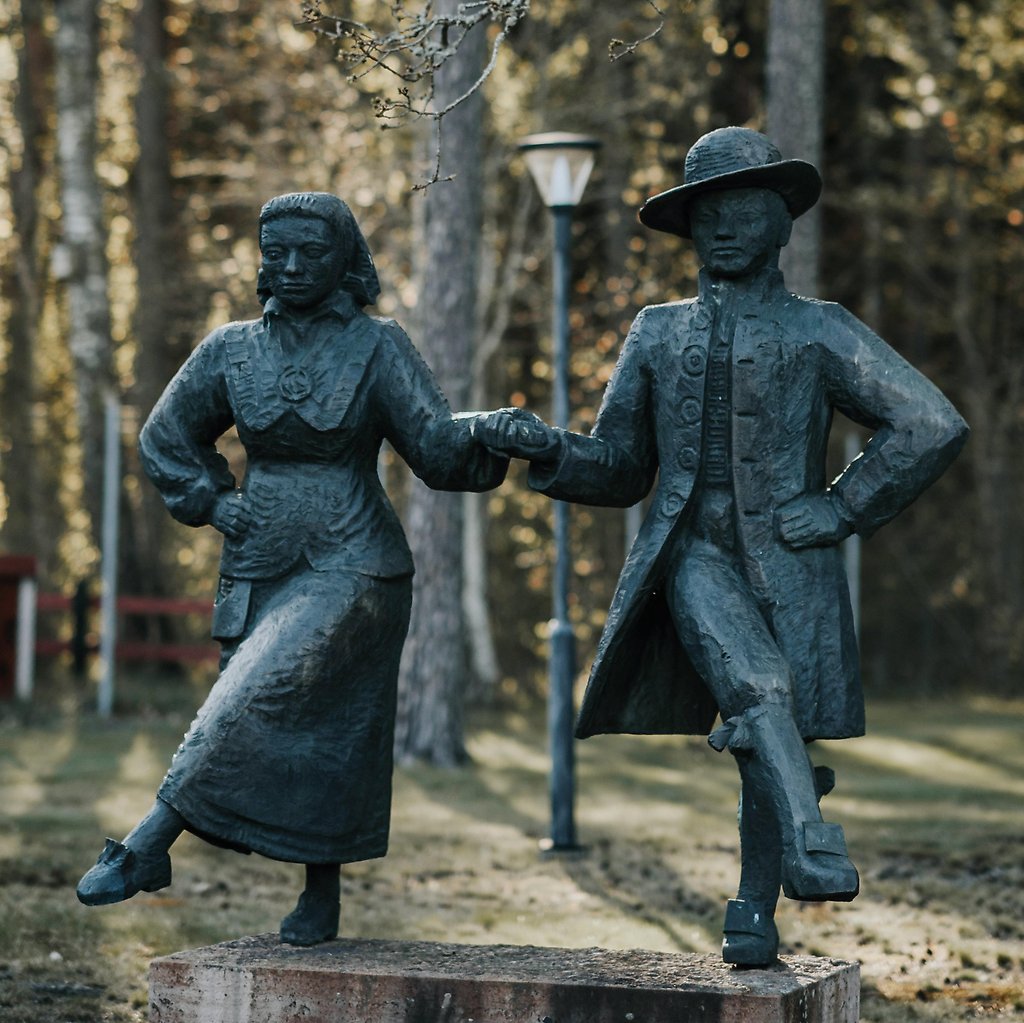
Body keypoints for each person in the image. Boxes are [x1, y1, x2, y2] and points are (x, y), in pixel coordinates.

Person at [474, 127, 968, 966]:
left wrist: (843, 507)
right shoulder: (657, 333)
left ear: (781, 225)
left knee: (763, 738)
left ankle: (754, 905)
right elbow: (624, 466)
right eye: (707, 216)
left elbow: (929, 423)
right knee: (760, 685)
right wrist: (548, 449)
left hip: (792, 565)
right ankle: (813, 833)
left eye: (743, 212)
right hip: (692, 554)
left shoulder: (821, 330)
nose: (723, 229)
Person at [76, 192, 508, 946]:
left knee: (257, 689)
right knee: (322, 731)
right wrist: (214, 502)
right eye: (278, 251)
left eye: (312, 251)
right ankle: (321, 898)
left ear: (346, 259)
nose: (294, 266)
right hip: (261, 559)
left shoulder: (378, 347)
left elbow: (436, 447)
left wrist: (493, 436)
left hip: (358, 562)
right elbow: (165, 436)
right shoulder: (231, 348)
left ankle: (148, 843)